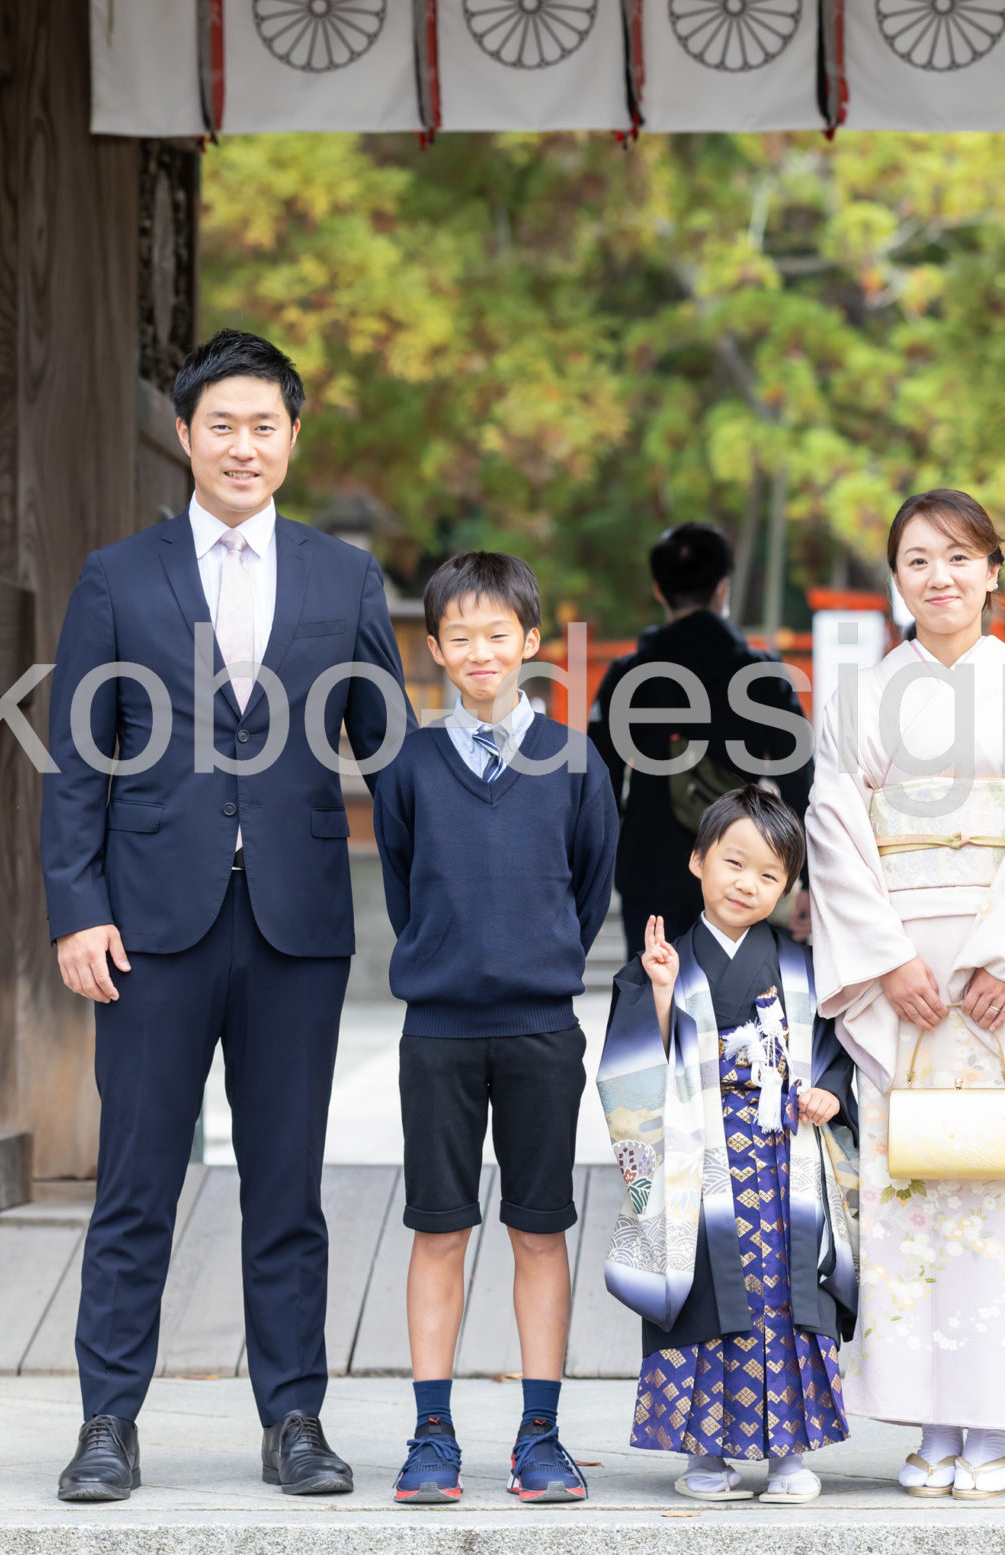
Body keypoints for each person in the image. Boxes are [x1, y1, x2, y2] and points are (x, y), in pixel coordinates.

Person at [43, 330, 403, 1504]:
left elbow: (388, 757)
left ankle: (294, 1419)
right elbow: (77, 759)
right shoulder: (117, 576)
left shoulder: (344, 579)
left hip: (297, 924)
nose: (242, 446)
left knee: (286, 1189)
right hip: (149, 927)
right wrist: (76, 909)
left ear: (292, 437)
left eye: (264, 426)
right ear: (185, 437)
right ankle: (107, 1422)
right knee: (135, 1183)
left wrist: (445, 907)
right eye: (221, 426)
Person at [804, 488, 1005, 1499]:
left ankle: (993, 1427)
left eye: (959, 557)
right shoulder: (858, 697)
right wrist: (886, 962)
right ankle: (931, 1427)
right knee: (913, 1199)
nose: (939, 577)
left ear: (992, 571)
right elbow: (833, 828)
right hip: (904, 976)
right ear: (896, 579)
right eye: (918, 560)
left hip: (1000, 979)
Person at [370, 552, 619, 1506]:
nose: (480, 651)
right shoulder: (410, 766)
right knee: (439, 1230)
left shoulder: (575, 760)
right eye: (460, 636)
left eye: (498, 634)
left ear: (531, 641)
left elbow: (587, 890)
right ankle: (432, 1433)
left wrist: (532, 957)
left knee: (538, 1230)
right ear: (434, 649)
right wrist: (453, 956)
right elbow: (404, 888)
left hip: (539, 1029)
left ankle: (540, 1433)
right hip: (437, 1031)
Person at [596, 786, 860, 1504]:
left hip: (783, 1156)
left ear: (789, 886)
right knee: (704, 1293)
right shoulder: (667, 961)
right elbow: (633, 1070)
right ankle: (705, 1455)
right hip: (698, 1157)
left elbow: (836, 1052)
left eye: (769, 874)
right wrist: (659, 991)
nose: (748, 883)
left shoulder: (802, 966)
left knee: (787, 1293)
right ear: (697, 861)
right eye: (734, 863)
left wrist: (829, 1093)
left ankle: (790, 1456)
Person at [590, 522, 812, 959]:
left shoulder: (629, 674)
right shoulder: (762, 674)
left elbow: (599, 783)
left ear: (659, 590)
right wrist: (806, 879)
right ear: (722, 588)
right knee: (737, 997)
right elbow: (799, 781)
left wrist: (599, 870)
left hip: (650, 868)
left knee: (653, 993)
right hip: (742, 873)